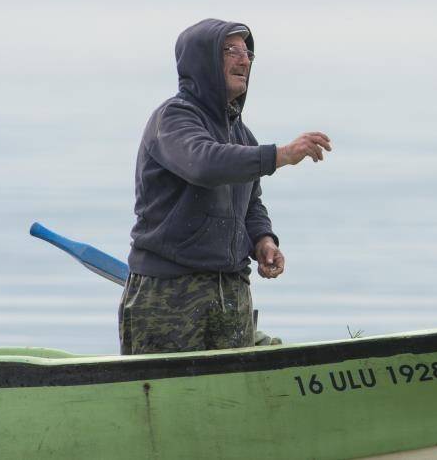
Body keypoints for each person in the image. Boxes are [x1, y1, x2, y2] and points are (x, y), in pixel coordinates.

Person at [119, 18, 331, 355]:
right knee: (172, 400)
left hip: (232, 290)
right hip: (171, 291)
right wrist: (282, 155)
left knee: (234, 399)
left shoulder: (242, 135)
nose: (244, 59)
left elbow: (250, 204)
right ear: (201, 61)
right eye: (230, 51)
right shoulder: (174, 120)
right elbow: (204, 164)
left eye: (247, 52)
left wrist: (263, 239)